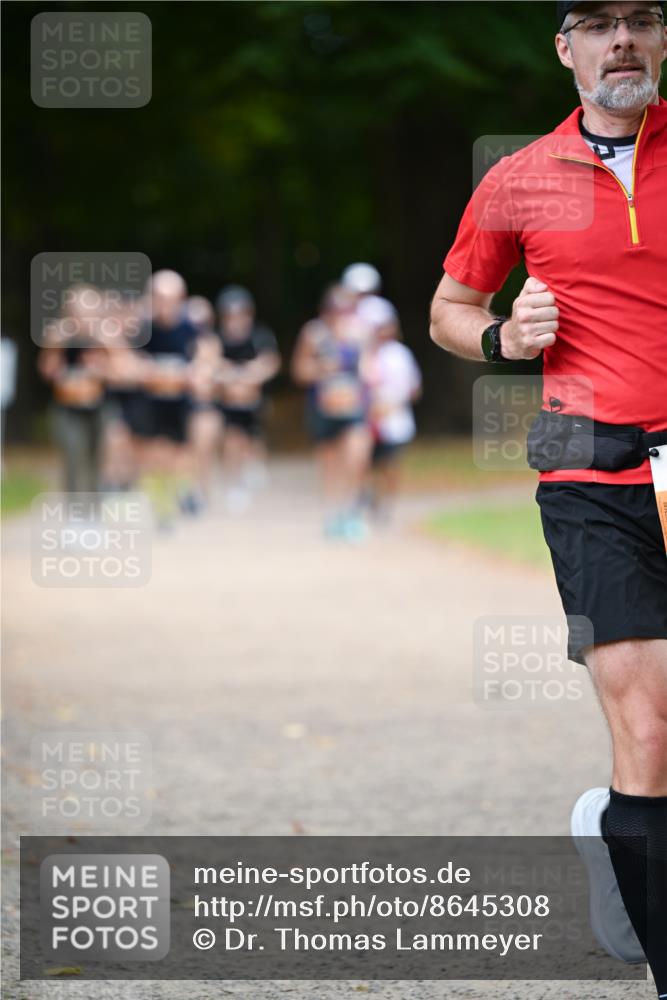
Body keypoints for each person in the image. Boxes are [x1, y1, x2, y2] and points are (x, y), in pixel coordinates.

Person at [429, 2, 666, 993]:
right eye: (597, 22)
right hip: (587, 465)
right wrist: (501, 340)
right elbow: (448, 307)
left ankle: (615, 843)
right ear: (564, 48)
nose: (623, 40)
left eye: (643, 18)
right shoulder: (518, 178)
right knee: (647, 727)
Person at [291, 285, 373, 541]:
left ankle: (352, 512)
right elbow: (299, 371)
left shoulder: (360, 334)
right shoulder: (314, 334)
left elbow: (370, 369)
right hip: (324, 409)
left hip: (353, 408)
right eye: (336, 310)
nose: (341, 315)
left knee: (356, 457)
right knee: (330, 464)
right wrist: (321, 370)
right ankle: (333, 514)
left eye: (346, 310)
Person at [135, 270, 200, 526]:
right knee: (154, 454)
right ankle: (159, 505)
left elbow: (205, 356)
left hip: (181, 401)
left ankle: (181, 495)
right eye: (160, 297)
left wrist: (193, 372)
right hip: (151, 402)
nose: (165, 303)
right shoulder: (144, 329)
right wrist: (148, 370)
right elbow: (130, 360)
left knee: (182, 453)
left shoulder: (190, 328)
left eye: (171, 297)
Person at [213, 285, 281, 513]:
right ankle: (233, 483)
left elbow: (270, 362)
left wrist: (250, 377)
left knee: (255, 437)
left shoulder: (260, 335)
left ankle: (254, 469)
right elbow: (211, 362)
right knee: (232, 439)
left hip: (254, 400)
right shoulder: (217, 338)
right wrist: (232, 378)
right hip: (228, 401)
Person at [37, 285, 107, 494]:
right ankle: (73, 511)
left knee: (98, 457)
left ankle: (94, 508)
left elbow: (122, 368)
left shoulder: (104, 335)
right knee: (72, 455)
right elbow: (46, 371)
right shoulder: (57, 335)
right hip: (66, 406)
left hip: (99, 405)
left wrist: (99, 368)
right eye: (78, 310)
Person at [358, 295, 422, 520]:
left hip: (393, 419)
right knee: (364, 463)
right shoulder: (361, 353)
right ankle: (369, 498)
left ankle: (385, 504)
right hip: (366, 419)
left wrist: (392, 403)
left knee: (389, 464)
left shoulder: (399, 354)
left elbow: (413, 388)